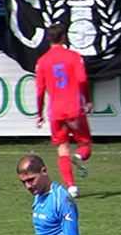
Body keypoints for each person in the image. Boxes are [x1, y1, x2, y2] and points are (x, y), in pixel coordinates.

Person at [34, 24, 93, 198]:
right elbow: (82, 79)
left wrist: (39, 113)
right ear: (64, 38)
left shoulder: (42, 61)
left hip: (56, 111)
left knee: (62, 148)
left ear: (48, 39)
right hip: (74, 108)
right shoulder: (74, 57)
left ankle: (71, 187)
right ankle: (80, 157)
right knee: (84, 144)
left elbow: (39, 90)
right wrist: (88, 99)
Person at [17, 155, 80, 235]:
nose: (28, 186)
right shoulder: (38, 194)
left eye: (31, 179)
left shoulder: (61, 200)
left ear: (44, 171)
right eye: (24, 182)